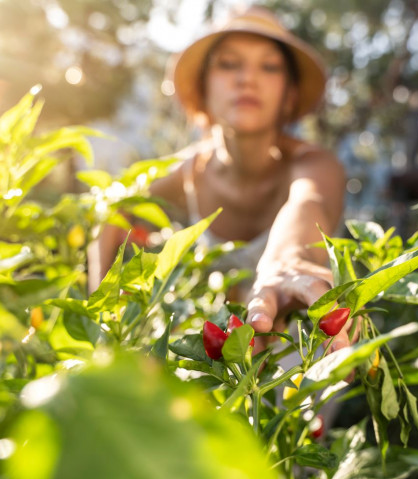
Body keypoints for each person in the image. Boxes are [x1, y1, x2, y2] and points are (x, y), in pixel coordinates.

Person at [90, 6, 350, 352]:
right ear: (204, 88)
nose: (247, 78)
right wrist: (102, 319)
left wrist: (287, 262)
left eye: (269, 67)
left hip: (299, 353)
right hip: (219, 357)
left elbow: (308, 202)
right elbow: (116, 208)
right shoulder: (188, 171)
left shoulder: (314, 163)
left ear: (289, 95)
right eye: (229, 64)